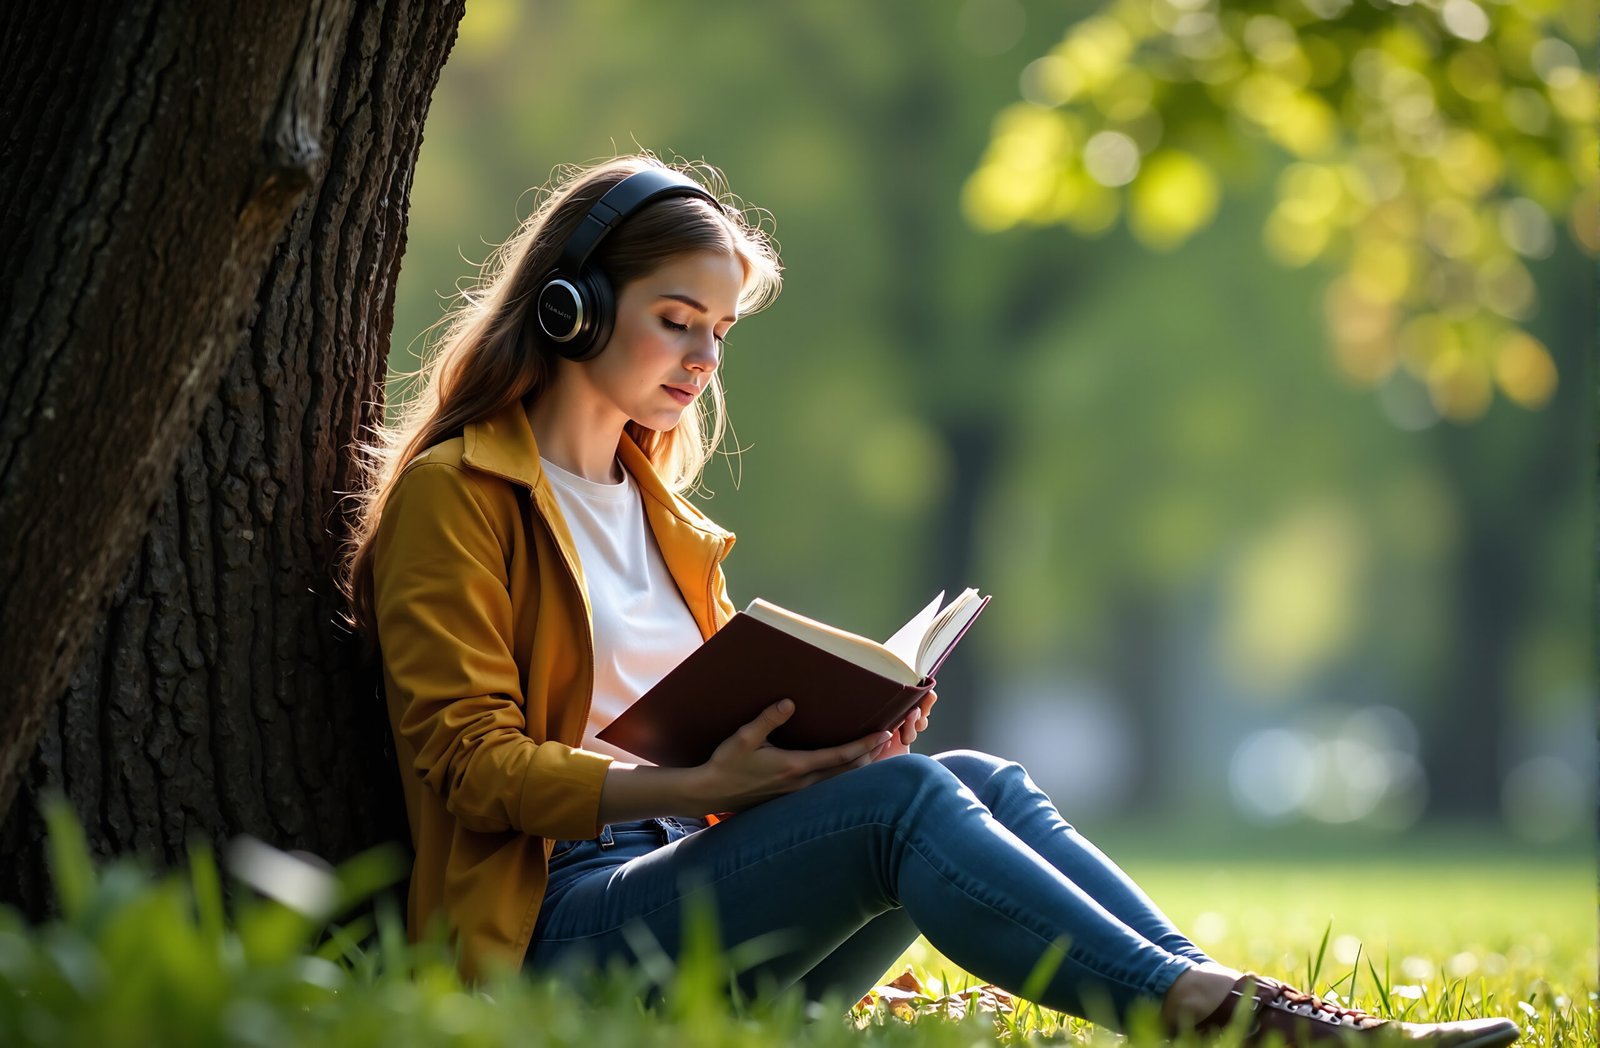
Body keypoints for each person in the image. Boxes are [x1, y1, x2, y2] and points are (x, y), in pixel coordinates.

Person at [337, 154, 1519, 1047]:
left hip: (686, 884)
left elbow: (699, 741)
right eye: (676, 320)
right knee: (908, 802)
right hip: (561, 931)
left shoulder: (662, 515)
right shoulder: (461, 493)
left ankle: (1247, 1005)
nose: (703, 360)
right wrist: (700, 786)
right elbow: (467, 761)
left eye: (721, 332)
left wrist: (820, 754)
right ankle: (1226, 1019)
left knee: (978, 779)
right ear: (572, 308)